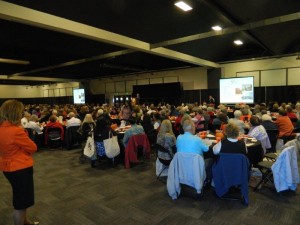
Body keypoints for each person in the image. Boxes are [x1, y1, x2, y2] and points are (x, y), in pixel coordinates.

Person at [0, 100, 39, 225]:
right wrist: (23, 131)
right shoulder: (16, 131)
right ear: (16, 113)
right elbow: (33, 148)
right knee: (21, 202)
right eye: (21, 112)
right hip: (20, 168)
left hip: (7, 167)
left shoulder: (2, 128)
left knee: (21, 198)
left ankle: (25, 221)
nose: (23, 113)